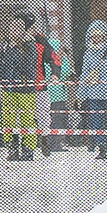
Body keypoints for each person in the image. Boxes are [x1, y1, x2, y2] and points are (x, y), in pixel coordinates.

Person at [0, 14, 43, 159]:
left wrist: (16, 48)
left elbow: (28, 65)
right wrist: (0, 78)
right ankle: (12, 147)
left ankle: (28, 149)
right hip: (8, 88)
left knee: (27, 118)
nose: (14, 30)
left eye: (18, 27)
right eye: (12, 27)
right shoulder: (5, 45)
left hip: (25, 88)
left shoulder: (29, 45)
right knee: (8, 118)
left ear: (24, 30)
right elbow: (0, 64)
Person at [77, 20, 107, 157]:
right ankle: (102, 147)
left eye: (99, 35)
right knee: (97, 122)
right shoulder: (88, 53)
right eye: (94, 36)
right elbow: (84, 74)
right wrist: (80, 95)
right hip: (95, 93)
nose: (97, 38)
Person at [35, 23, 74, 155]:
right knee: (55, 120)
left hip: (53, 97)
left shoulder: (48, 60)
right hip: (55, 97)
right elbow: (65, 73)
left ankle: (52, 143)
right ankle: (55, 143)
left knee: (52, 120)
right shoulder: (55, 61)